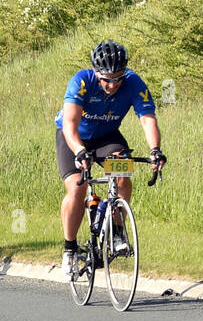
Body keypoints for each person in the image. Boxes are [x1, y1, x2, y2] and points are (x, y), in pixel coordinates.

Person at [56, 40, 165, 277]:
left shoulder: (134, 82)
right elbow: (70, 124)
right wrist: (79, 151)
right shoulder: (82, 81)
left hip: (107, 137)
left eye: (118, 78)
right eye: (107, 79)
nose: (113, 84)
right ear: (96, 72)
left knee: (123, 172)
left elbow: (147, 118)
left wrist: (155, 149)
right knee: (78, 187)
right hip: (74, 138)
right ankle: (70, 248)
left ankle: (116, 231)